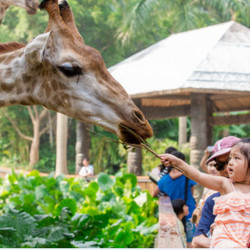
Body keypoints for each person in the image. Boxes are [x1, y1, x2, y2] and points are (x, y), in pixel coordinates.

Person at [160, 137, 250, 248]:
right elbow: (198, 175)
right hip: (226, 241)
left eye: (236, 158)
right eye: (229, 159)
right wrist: (178, 162)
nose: (230, 164)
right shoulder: (226, 185)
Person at [192, 136, 240, 248]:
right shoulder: (213, 201)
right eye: (219, 165)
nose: (226, 169)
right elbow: (197, 240)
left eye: (230, 161)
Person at [153, 150, 197, 248]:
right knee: (190, 242)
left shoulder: (164, 180)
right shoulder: (189, 177)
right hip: (189, 212)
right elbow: (192, 193)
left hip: (173, 215)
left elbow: (154, 194)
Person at [191, 147, 219, 226]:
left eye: (215, 166)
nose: (213, 169)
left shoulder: (221, 181)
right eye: (210, 165)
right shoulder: (209, 177)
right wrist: (206, 154)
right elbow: (202, 165)